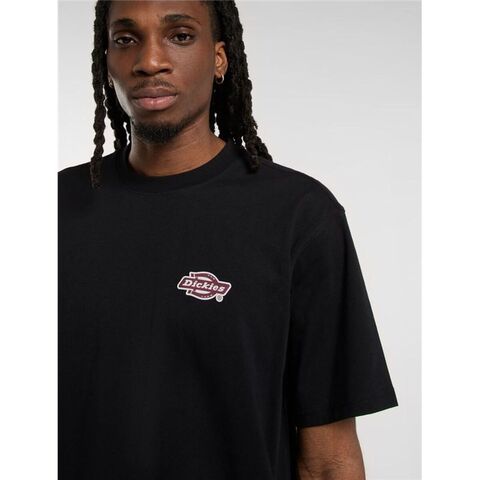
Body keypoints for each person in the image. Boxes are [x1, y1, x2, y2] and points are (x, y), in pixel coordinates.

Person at [58, 1, 399, 479]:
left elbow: (329, 461)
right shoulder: (51, 211)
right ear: (106, 59)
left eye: (180, 35)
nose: (149, 61)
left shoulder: (298, 216)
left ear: (219, 59)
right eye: (125, 39)